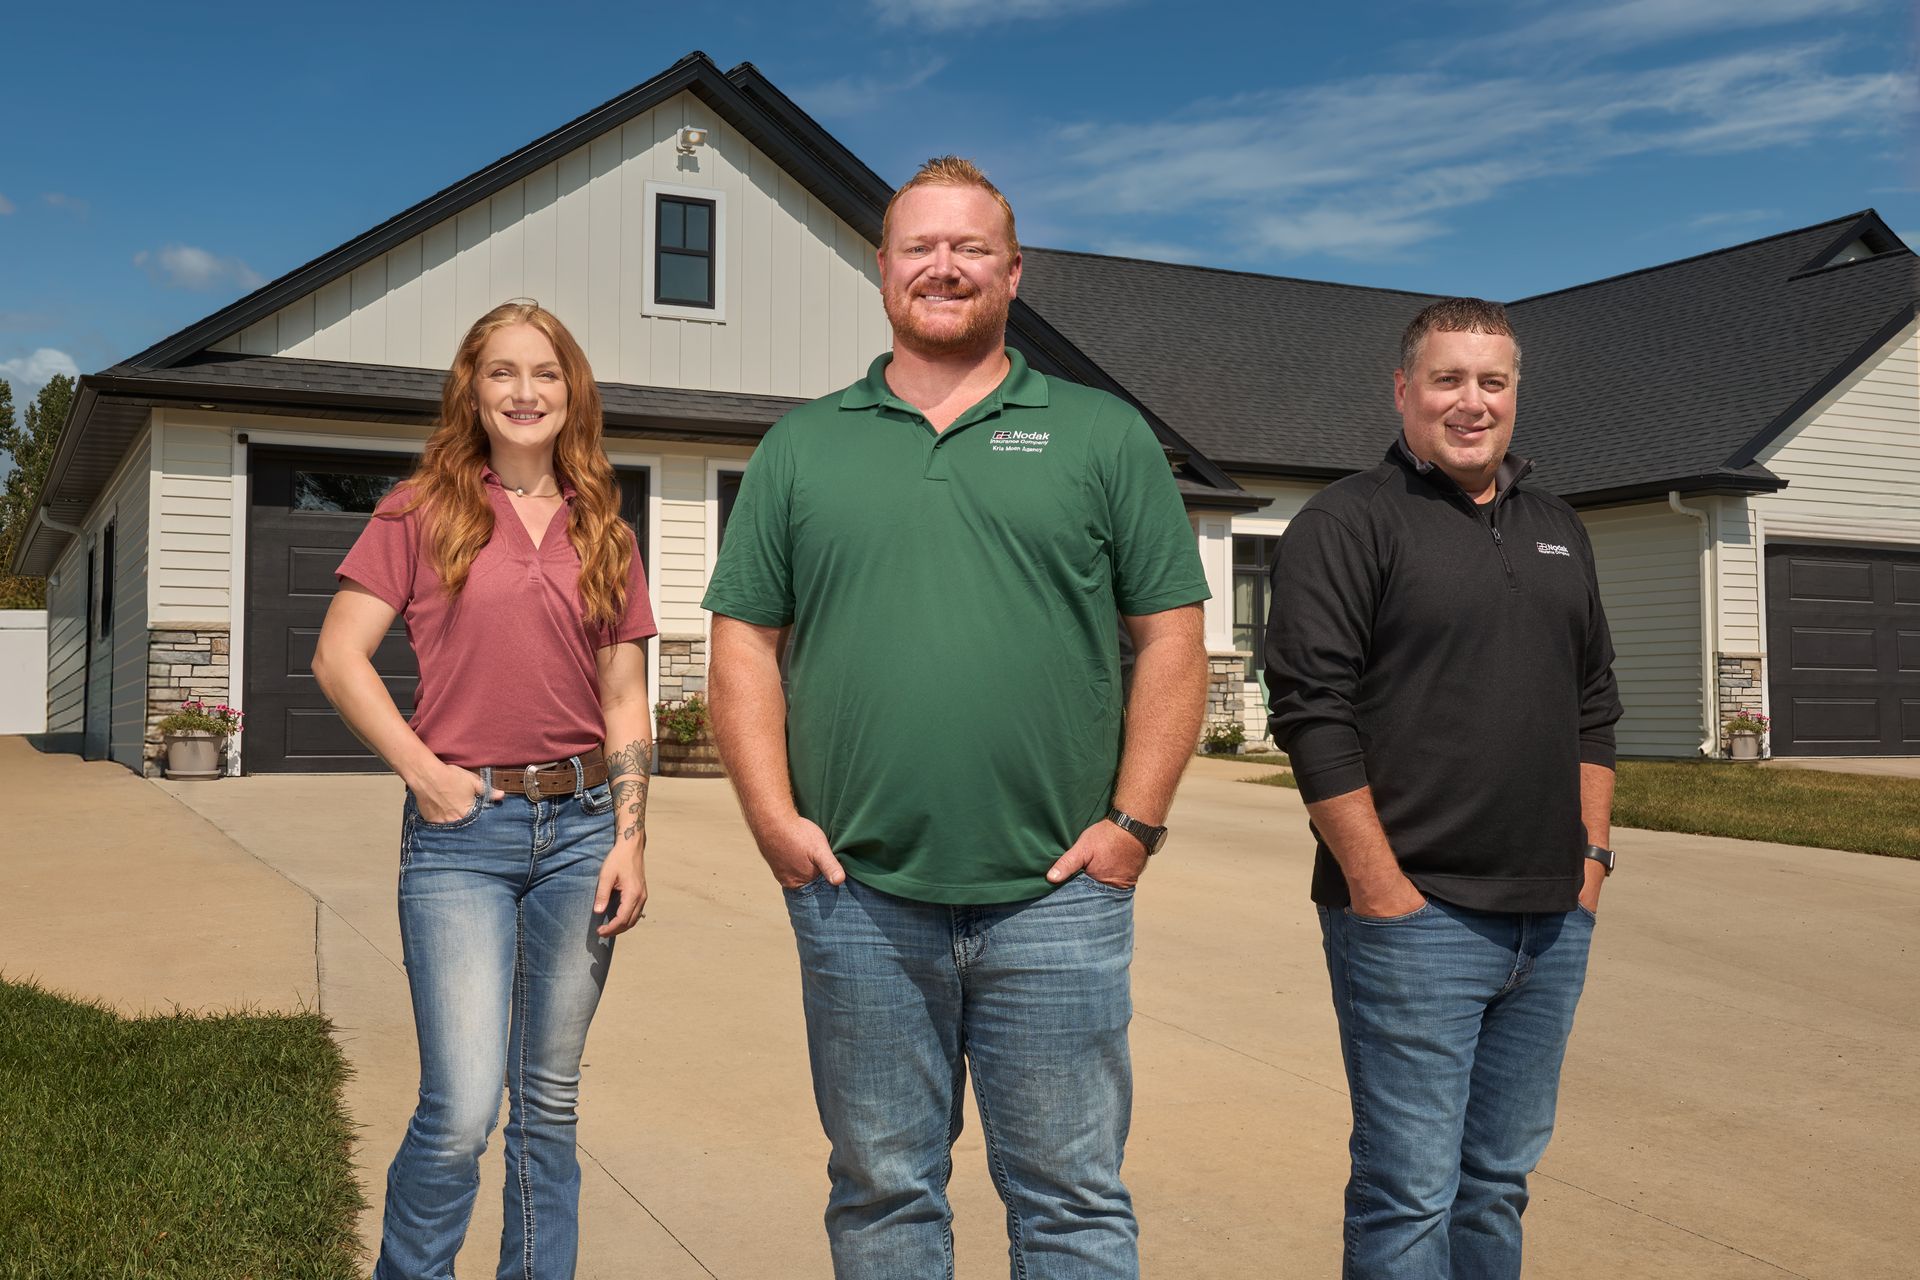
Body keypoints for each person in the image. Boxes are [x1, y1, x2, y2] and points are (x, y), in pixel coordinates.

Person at [703, 156, 1210, 1279]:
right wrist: (774, 821)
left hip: (1059, 900)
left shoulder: (1101, 435)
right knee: (884, 1191)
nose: (944, 265)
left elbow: (1173, 637)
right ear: (882, 270)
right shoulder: (802, 446)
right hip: (858, 897)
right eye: (920, 246)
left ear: (1013, 273)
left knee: (1071, 1198)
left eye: (970, 247)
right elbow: (743, 641)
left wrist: (1134, 824)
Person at [1264, 297, 1623, 1279]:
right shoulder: (1349, 522)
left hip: (1550, 920)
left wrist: (1590, 864)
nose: (1472, 402)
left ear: (1516, 393)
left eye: (1493, 381)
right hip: (1416, 920)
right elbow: (1313, 715)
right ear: (1404, 390)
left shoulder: (1558, 528)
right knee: (1409, 1191)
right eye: (1448, 379)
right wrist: (1382, 889)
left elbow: (1594, 702)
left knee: (1497, 1181)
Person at [313, 300, 657, 1279]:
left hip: (586, 830)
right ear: (472, 389)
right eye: (501, 371)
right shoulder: (420, 510)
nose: (524, 391)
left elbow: (625, 699)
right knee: (463, 1105)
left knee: (547, 1101)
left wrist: (631, 837)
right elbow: (341, 656)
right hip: (464, 836)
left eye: (544, 372)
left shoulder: (607, 535)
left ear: (570, 391)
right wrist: (423, 769)